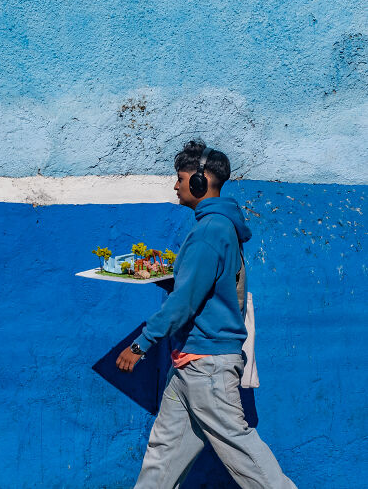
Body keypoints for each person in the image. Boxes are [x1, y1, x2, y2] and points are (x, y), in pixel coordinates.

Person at [116, 141, 296, 489]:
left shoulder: (209, 231)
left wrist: (140, 345)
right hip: (190, 363)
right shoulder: (217, 228)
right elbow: (203, 290)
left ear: (200, 182)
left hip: (207, 364)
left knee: (243, 453)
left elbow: (184, 303)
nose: (176, 185)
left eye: (180, 178)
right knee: (163, 453)